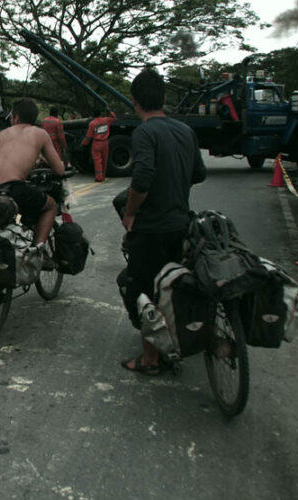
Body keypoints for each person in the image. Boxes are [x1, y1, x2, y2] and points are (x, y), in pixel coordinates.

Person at [119, 69, 206, 375]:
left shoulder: (144, 133)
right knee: (170, 287)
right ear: (164, 98)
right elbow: (199, 173)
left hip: (152, 228)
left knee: (143, 291)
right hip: (182, 225)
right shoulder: (185, 130)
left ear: (134, 101)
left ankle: (150, 360)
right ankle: (173, 342)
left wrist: (130, 213)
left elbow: (142, 178)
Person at [0, 98, 66, 246]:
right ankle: (38, 249)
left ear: (16, 117)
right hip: (12, 189)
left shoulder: (2, 134)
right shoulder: (40, 133)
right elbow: (59, 170)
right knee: (51, 206)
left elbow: (3, 162)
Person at [81, 108, 117, 182]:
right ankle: (103, 176)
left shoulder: (92, 123)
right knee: (104, 160)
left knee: (97, 161)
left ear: (93, 115)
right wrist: (110, 112)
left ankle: (99, 177)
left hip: (97, 143)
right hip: (105, 142)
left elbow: (89, 136)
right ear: (100, 114)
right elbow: (114, 118)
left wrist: (83, 143)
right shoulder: (106, 120)